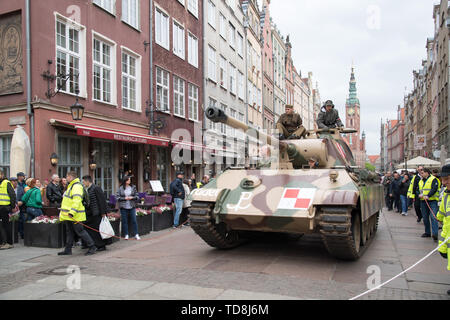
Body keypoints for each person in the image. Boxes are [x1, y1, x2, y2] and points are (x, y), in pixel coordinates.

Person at [58, 171, 97, 256]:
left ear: (71, 177)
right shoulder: (72, 186)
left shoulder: (76, 186)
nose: (66, 178)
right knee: (70, 232)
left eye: (67, 177)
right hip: (70, 215)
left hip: (75, 215)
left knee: (80, 231)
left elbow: (77, 200)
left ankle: (92, 246)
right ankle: (68, 249)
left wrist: (72, 212)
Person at [82, 175, 108, 251]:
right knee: (90, 229)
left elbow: (102, 200)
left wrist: (103, 213)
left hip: (97, 213)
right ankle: (92, 243)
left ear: (87, 181)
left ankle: (101, 245)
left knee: (97, 230)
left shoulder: (96, 188)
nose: (83, 183)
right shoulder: (88, 189)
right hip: (90, 213)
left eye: (83, 182)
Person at [436, 164, 450, 295]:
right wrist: (438, 217)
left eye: (446, 179)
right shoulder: (446, 195)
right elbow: (442, 213)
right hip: (447, 235)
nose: (443, 182)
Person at [418, 168, 440, 241]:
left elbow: (434, 188)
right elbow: (418, 189)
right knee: (425, 217)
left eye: (423, 173)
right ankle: (427, 232)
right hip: (423, 201)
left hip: (432, 201)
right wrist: (419, 194)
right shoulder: (421, 181)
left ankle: (435, 234)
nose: (421, 174)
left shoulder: (433, 179)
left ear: (427, 173)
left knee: (433, 217)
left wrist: (428, 195)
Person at [116, 176, 140, 240]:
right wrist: (124, 198)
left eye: (130, 180)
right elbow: (117, 197)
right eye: (128, 180)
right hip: (123, 207)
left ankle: (136, 234)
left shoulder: (133, 187)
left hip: (132, 206)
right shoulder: (120, 188)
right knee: (124, 221)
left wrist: (132, 197)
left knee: (134, 220)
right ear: (125, 181)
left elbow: (137, 196)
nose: (130, 181)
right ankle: (126, 234)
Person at [0, 170, 16, 250]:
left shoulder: (6, 182)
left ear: (2, 174)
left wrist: (12, 207)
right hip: (1, 207)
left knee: (5, 225)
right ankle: (3, 242)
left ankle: (8, 243)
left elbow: (12, 195)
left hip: (5, 207)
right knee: (2, 225)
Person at [16, 172, 26, 239]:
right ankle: (20, 233)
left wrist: (22, 201)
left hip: (22, 203)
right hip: (17, 203)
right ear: (19, 177)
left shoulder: (24, 184)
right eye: (23, 176)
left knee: (22, 219)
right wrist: (17, 202)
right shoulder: (17, 184)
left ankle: (22, 233)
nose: (24, 177)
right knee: (19, 219)